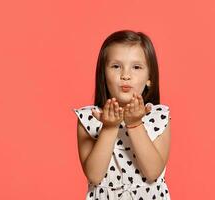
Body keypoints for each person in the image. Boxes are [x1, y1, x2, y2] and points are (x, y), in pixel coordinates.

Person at [73, 30, 172, 200]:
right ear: (103, 75)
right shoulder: (90, 118)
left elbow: (153, 171)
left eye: (136, 67)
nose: (126, 75)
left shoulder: (158, 117)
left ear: (150, 78)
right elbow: (94, 176)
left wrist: (134, 124)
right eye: (116, 66)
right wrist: (109, 127)